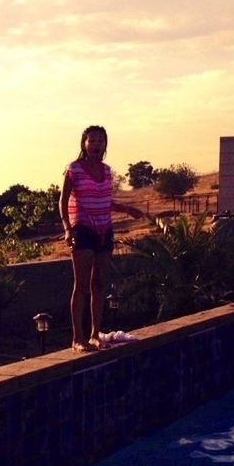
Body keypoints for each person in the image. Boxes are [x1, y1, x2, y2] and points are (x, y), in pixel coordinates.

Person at [59, 125, 143, 352]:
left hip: (104, 231)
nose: (96, 144)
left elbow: (105, 200)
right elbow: (62, 201)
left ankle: (96, 334)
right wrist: (68, 228)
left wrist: (126, 209)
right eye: (92, 140)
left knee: (99, 284)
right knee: (82, 285)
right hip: (82, 229)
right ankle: (78, 338)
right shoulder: (73, 169)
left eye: (101, 141)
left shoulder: (107, 171)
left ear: (105, 145)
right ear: (84, 143)